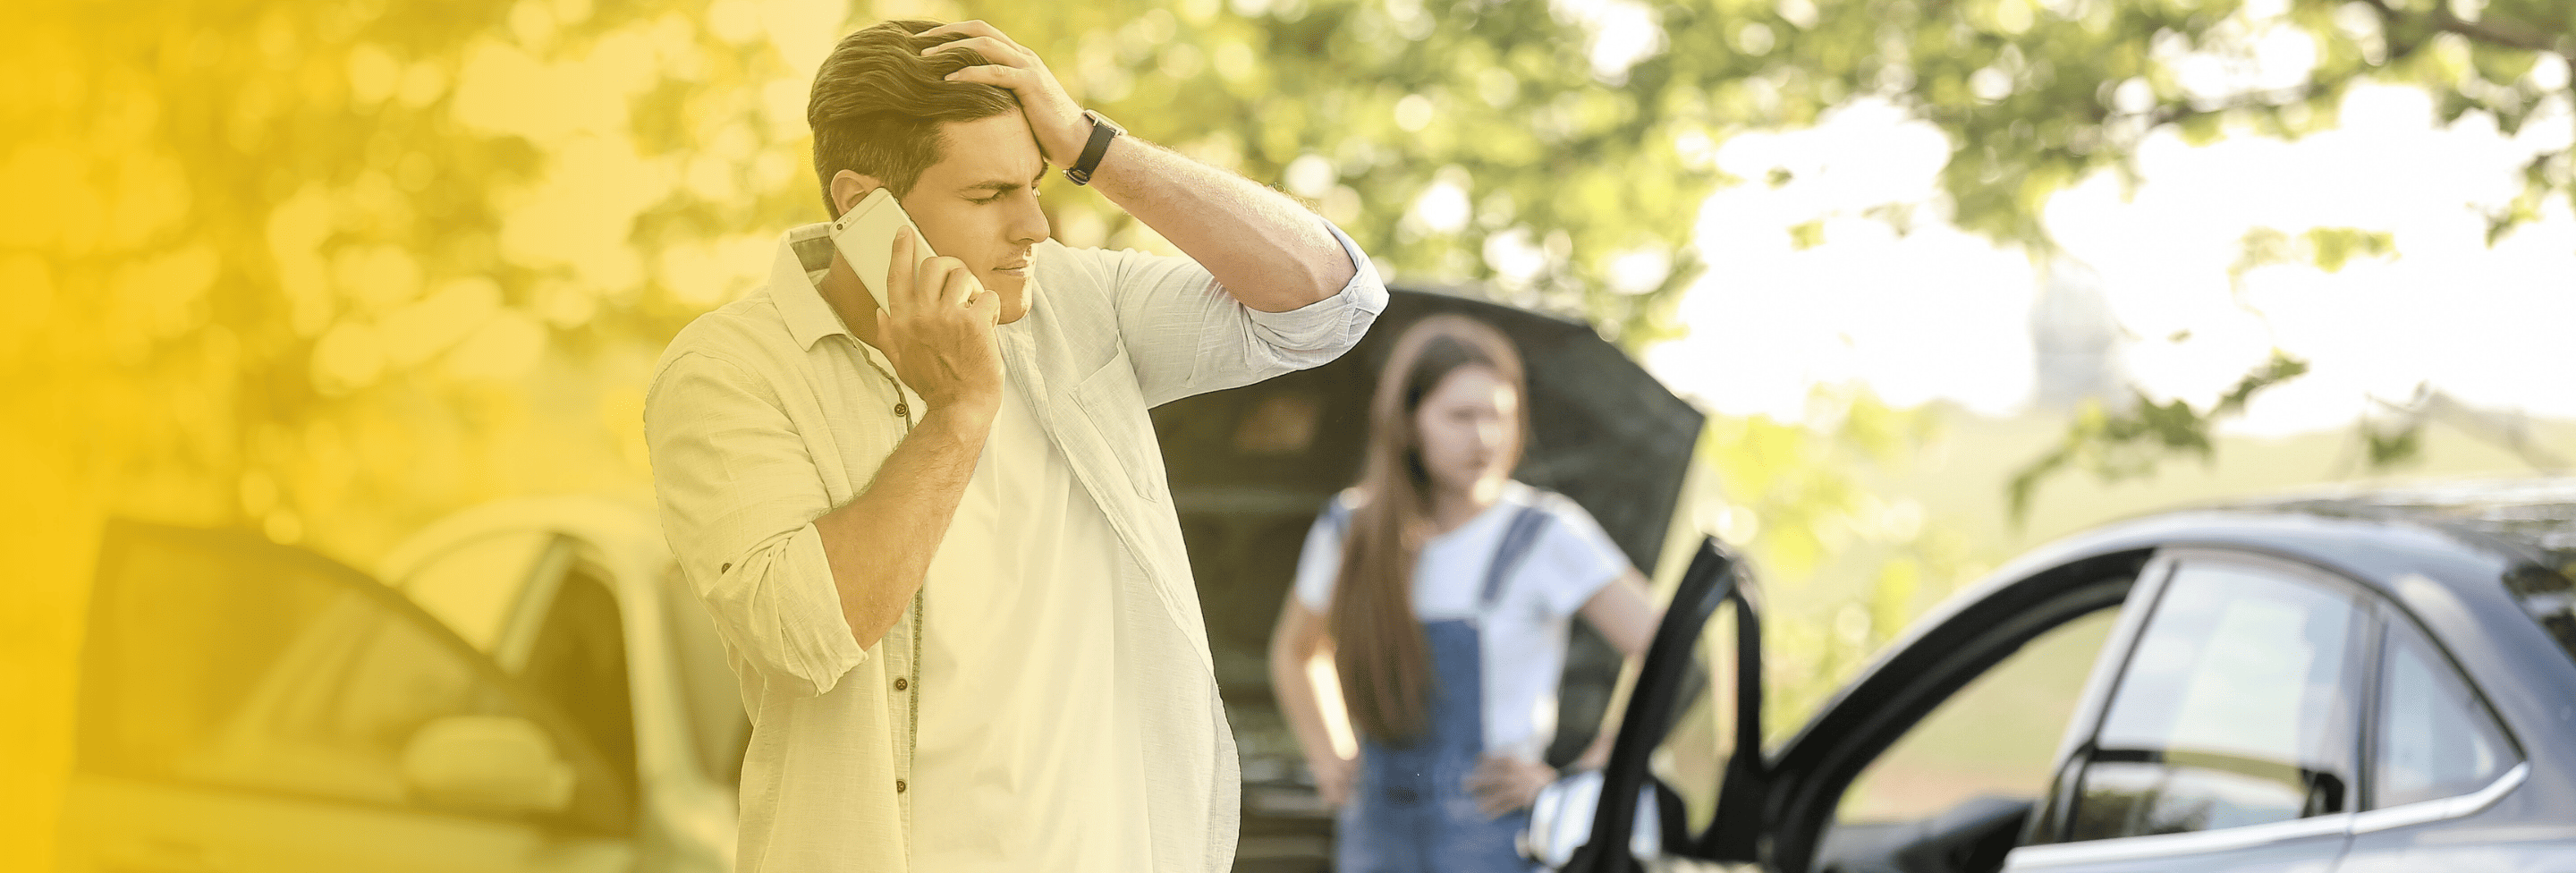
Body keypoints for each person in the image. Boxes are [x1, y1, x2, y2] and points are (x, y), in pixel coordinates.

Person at [643, 19, 1385, 873]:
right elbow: (803, 635)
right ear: (861, 205)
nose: (1034, 224)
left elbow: (1331, 305)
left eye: (1035, 182)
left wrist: (1092, 146)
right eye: (990, 194)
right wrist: (959, 412)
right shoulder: (727, 371)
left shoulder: (1079, 301)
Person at [1268, 315, 1660, 872]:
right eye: (1461, 416)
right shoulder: (1350, 530)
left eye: (1499, 415)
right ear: (1409, 423)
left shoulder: (1544, 533)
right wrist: (1328, 754)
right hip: (1375, 837)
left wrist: (1584, 777)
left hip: (1496, 839)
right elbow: (1298, 650)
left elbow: (1664, 651)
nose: (1485, 437)